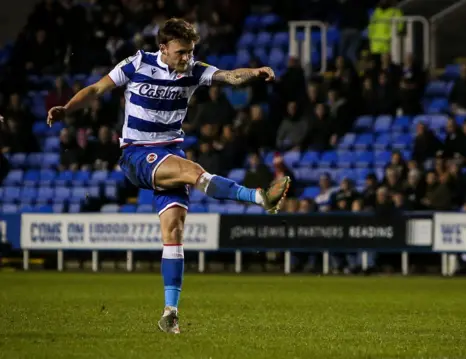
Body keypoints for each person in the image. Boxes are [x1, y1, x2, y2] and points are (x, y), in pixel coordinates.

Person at [46, 18, 291, 334]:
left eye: (190, 52)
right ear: (162, 48)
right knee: (193, 172)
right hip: (137, 154)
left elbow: (230, 77)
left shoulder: (194, 70)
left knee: (174, 232)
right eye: (181, 52)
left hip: (170, 154)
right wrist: (67, 108)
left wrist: (254, 74)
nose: (186, 58)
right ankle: (259, 197)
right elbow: (97, 88)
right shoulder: (137, 63)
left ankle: (170, 313)